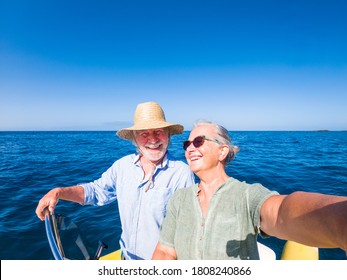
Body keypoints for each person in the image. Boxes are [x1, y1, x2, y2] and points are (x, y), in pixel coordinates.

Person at [152, 120, 347, 260]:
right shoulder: (180, 199)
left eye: (198, 142)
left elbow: (280, 212)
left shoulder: (246, 195)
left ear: (222, 151)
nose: (189, 149)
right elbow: (166, 251)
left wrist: (340, 222)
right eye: (187, 144)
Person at [35, 101, 195, 260]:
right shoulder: (122, 166)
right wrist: (58, 192)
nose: (152, 140)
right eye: (144, 133)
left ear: (168, 135)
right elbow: (96, 192)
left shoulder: (182, 173)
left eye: (158, 132)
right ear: (135, 139)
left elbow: (186, 230)